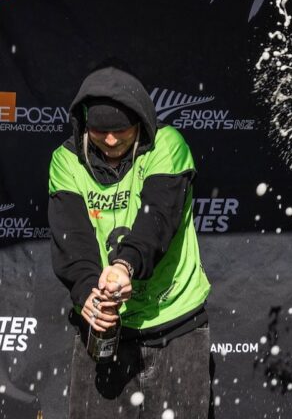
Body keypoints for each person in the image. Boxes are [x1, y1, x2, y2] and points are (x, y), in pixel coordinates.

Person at [48, 65, 211, 418]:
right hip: (103, 330)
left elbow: (157, 219)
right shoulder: (66, 160)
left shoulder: (167, 145)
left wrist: (124, 266)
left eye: (120, 130)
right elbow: (71, 237)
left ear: (140, 122)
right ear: (84, 126)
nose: (110, 141)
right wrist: (89, 292)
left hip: (175, 326)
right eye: (99, 131)